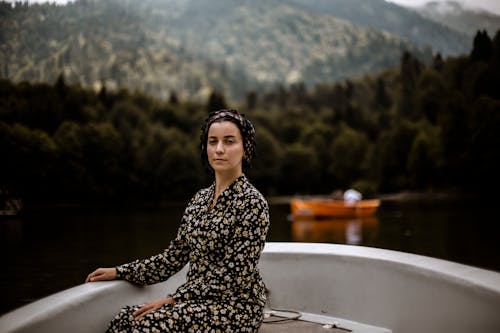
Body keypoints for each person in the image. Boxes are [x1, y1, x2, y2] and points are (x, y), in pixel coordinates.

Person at [86, 109, 270, 332]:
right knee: (125, 319)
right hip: (195, 302)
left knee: (148, 325)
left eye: (229, 141)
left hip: (236, 307)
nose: (219, 149)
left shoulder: (252, 203)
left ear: (246, 148)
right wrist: (121, 271)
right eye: (213, 142)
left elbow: (234, 274)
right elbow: (173, 258)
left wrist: (173, 299)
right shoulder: (200, 199)